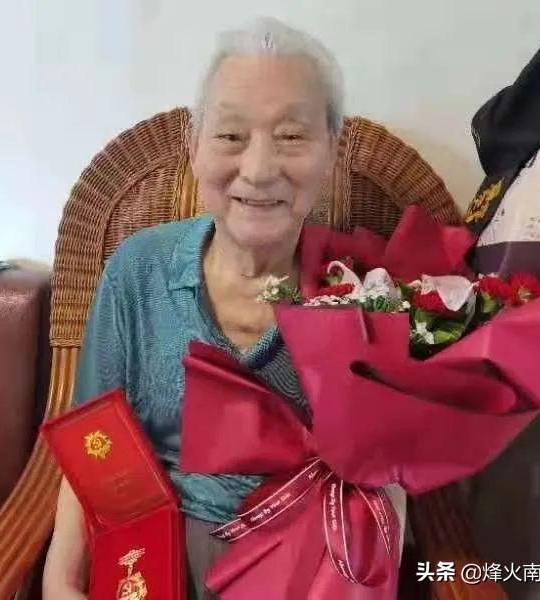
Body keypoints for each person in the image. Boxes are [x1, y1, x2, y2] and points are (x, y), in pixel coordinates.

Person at [42, 16, 343, 599]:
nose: (258, 169)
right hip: (150, 560)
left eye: (291, 136)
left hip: (304, 568)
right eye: (231, 135)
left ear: (332, 149)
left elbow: (385, 476)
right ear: (194, 144)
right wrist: (61, 582)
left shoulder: (361, 292)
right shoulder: (139, 269)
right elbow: (90, 442)